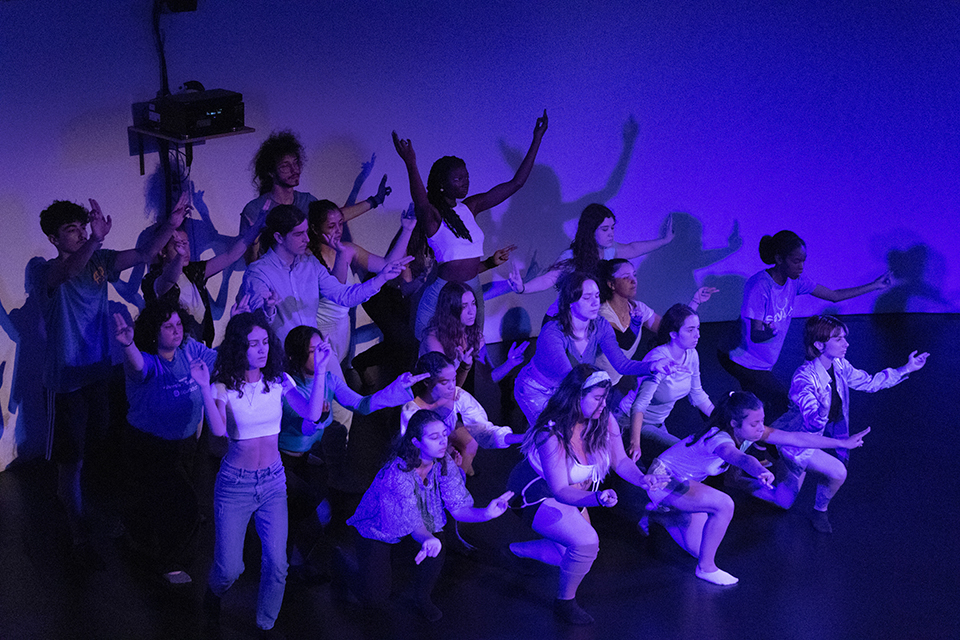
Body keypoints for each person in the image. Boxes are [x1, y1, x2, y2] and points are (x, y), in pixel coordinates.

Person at [31, 195, 186, 569]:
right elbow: (67, 273)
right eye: (72, 230)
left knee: (99, 452)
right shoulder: (45, 271)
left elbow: (145, 254)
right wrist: (96, 240)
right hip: (66, 384)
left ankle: (86, 511)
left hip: (99, 374)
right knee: (72, 463)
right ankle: (78, 535)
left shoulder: (99, 260)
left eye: (82, 227)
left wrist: (170, 224)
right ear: (53, 238)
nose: (81, 233)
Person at [192, 311, 330, 635]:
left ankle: (265, 625)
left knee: (278, 565)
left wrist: (322, 371)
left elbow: (311, 413)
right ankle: (213, 594)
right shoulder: (224, 386)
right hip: (235, 485)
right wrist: (203, 388)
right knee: (229, 569)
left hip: (273, 482)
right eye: (253, 344)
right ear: (239, 347)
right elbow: (218, 429)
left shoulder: (279, 380)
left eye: (265, 342)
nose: (262, 349)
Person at [643, 391, 869, 586]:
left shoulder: (748, 432)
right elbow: (739, 458)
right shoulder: (719, 440)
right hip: (663, 479)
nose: (760, 428)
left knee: (698, 548)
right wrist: (759, 470)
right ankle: (706, 568)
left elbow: (796, 439)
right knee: (724, 504)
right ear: (734, 423)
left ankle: (662, 515)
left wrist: (841, 443)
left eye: (762, 421)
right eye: (754, 424)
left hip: (686, 483)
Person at [506, 365, 668, 625]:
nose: (604, 405)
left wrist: (642, 479)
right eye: (597, 398)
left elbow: (620, 461)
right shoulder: (552, 432)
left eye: (605, 398)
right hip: (535, 491)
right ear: (576, 396)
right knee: (585, 542)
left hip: (572, 492)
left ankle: (518, 550)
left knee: (573, 555)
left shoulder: (604, 419)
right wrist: (597, 498)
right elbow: (559, 490)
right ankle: (565, 602)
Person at [279, 325, 427, 580]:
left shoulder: (328, 380)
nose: (321, 355)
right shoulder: (287, 386)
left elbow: (362, 404)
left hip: (305, 461)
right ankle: (286, 564)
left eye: (322, 348)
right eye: (313, 351)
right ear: (295, 356)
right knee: (309, 513)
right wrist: (320, 398)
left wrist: (396, 387)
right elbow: (306, 423)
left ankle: (291, 561)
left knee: (313, 515)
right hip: (281, 463)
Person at [392, 110, 549, 339]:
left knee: (473, 346)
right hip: (444, 293)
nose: (465, 182)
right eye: (458, 179)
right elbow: (420, 200)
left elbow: (516, 183)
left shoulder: (469, 207)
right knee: (428, 347)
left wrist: (537, 138)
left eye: (466, 177)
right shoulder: (433, 216)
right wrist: (410, 163)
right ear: (442, 184)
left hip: (472, 289)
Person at [344, 410, 513, 622]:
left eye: (444, 434)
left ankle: (422, 597)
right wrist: (427, 538)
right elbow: (413, 521)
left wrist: (486, 513)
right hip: (381, 526)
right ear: (416, 442)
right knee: (374, 599)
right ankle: (342, 565)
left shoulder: (443, 462)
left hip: (420, 520)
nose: (443, 441)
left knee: (437, 544)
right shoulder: (397, 473)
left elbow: (458, 508)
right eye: (434, 437)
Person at [764, 315, 928, 533]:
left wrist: (906, 368)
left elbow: (869, 382)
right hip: (795, 442)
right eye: (839, 339)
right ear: (819, 344)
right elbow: (810, 427)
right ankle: (744, 479)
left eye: (844, 338)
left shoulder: (840, 365)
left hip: (812, 440)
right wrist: (822, 411)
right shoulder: (803, 378)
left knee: (811, 485)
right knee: (784, 501)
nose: (846, 344)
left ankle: (819, 511)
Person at [719, 230, 892, 420]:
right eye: (796, 261)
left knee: (752, 408)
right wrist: (769, 332)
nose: (801, 267)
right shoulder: (760, 286)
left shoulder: (796, 282)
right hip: (740, 359)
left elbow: (834, 296)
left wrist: (875, 285)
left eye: (803, 261)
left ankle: (730, 425)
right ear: (779, 259)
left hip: (762, 362)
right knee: (780, 403)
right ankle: (727, 424)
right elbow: (756, 335)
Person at [112, 299, 217, 584]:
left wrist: (240, 324)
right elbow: (137, 367)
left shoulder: (189, 350)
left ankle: (141, 541)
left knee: (164, 504)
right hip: (150, 446)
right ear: (154, 331)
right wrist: (127, 345)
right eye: (168, 326)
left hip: (185, 444)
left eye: (179, 324)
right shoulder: (147, 359)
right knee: (182, 505)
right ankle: (171, 563)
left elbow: (221, 359)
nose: (176, 330)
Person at [513, 272, 673, 428]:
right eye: (587, 298)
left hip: (571, 389)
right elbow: (570, 378)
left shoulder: (600, 325)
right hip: (537, 390)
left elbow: (621, 364)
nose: (595, 303)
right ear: (570, 301)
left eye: (597, 296)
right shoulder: (553, 332)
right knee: (550, 435)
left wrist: (652, 365)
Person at [240, 130, 391, 263]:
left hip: (308, 274)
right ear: (270, 172)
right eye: (285, 166)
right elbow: (250, 261)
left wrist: (375, 200)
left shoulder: (306, 200)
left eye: (296, 163)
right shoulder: (255, 209)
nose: (294, 169)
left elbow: (335, 217)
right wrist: (254, 241)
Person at [507, 203, 676, 319]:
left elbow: (633, 248)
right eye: (604, 229)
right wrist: (523, 288)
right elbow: (549, 279)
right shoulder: (572, 256)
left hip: (588, 319)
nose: (611, 233)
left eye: (612, 228)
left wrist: (664, 241)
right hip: (562, 320)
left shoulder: (610, 250)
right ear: (590, 231)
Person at [144, 199, 269, 346]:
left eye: (186, 243)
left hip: (201, 347)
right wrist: (179, 256)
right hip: (175, 350)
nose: (184, 249)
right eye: (178, 245)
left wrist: (255, 231)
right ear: (162, 251)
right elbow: (168, 280)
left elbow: (230, 256)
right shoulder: (153, 278)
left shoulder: (193, 271)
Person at [307, 199, 415, 366]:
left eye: (340, 223)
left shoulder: (347, 249)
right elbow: (338, 291)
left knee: (339, 371)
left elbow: (386, 264)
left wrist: (407, 229)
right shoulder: (308, 258)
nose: (338, 230)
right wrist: (342, 255)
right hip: (321, 329)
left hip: (343, 326)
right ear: (315, 229)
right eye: (331, 226)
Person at [594, 258, 716, 388]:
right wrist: (636, 323)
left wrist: (695, 301)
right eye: (626, 277)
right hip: (596, 379)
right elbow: (625, 342)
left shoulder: (639, 308)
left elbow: (669, 328)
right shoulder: (602, 314)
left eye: (634, 275)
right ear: (611, 284)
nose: (633, 280)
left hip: (619, 375)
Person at [401, 352, 522, 476]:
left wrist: (521, 438)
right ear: (427, 382)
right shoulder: (411, 410)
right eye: (445, 382)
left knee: (471, 442)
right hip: (425, 456)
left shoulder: (457, 395)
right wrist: (446, 455)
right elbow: (411, 450)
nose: (452, 386)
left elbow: (482, 429)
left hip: (445, 443)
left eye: (454, 379)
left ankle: (459, 479)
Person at [621, 304, 715, 462]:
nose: (697, 335)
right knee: (684, 452)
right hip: (632, 423)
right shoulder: (658, 360)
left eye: (698, 328)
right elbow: (639, 404)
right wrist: (635, 443)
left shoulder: (692, 354)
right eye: (690, 330)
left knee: (668, 466)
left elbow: (697, 394)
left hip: (658, 423)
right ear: (673, 334)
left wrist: (721, 418)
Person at [420, 280, 528, 387]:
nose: (471, 311)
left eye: (473, 303)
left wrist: (510, 363)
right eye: (464, 306)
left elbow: (488, 377)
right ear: (451, 309)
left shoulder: (474, 334)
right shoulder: (433, 340)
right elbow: (445, 389)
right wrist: (464, 366)